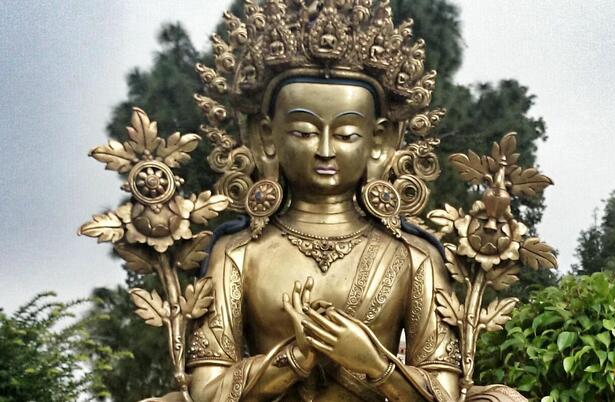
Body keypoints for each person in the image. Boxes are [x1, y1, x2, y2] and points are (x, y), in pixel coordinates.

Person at [185, 1, 526, 401]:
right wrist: (295, 358)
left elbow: (445, 395)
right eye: (304, 131)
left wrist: (375, 365)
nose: (326, 150)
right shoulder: (238, 254)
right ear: (266, 138)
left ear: (379, 143)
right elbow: (206, 393)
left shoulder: (413, 258)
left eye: (347, 134)